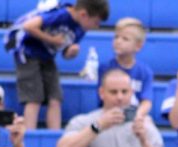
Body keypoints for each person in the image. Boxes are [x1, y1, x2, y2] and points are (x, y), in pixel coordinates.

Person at [6, 0, 109, 129]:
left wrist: (71, 52)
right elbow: (29, 26)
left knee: (55, 98)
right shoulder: (61, 15)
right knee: (34, 99)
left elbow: (65, 52)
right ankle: (29, 134)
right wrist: (52, 40)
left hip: (46, 54)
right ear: (83, 14)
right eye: (96, 22)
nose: (97, 26)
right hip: (27, 50)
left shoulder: (80, 28)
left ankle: (54, 135)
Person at [97, 17, 154, 121]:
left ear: (138, 46)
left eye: (125, 39)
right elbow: (102, 97)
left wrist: (138, 116)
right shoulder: (105, 67)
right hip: (109, 117)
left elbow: (146, 101)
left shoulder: (145, 71)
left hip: (134, 118)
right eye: (116, 37)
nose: (118, 41)